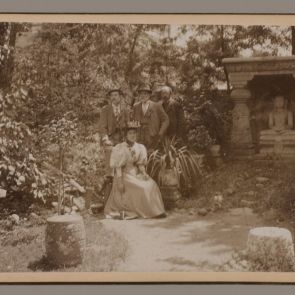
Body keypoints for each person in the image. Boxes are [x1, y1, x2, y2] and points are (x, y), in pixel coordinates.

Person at [104, 121, 166, 219]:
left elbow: (140, 164)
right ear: (126, 135)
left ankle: (156, 211)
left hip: (135, 172)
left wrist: (144, 173)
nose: (133, 135)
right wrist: (120, 181)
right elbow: (118, 167)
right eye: (130, 133)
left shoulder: (140, 147)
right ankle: (145, 211)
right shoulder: (119, 148)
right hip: (123, 175)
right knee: (142, 188)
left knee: (151, 184)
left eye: (134, 133)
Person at [99, 88, 130, 194]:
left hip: (122, 139)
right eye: (112, 96)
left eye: (116, 95)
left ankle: (124, 179)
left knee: (127, 153)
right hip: (110, 139)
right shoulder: (105, 110)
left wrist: (127, 139)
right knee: (109, 150)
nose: (114, 97)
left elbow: (129, 125)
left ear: (120, 97)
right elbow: (102, 126)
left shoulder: (125, 110)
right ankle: (109, 177)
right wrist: (105, 138)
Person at [132, 84, 169, 151]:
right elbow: (133, 121)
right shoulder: (136, 106)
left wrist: (160, 133)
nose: (143, 96)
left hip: (152, 137)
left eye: (145, 94)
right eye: (141, 94)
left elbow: (166, 120)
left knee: (151, 157)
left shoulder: (156, 106)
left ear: (149, 95)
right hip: (139, 138)